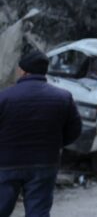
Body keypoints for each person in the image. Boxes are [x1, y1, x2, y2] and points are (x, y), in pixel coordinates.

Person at [0, 50, 82, 216]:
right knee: (38, 212)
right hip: (45, 162)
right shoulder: (63, 97)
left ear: (23, 71)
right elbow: (75, 130)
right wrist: (55, 144)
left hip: (7, 163)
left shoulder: (4, 97)